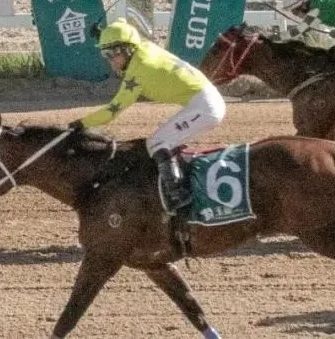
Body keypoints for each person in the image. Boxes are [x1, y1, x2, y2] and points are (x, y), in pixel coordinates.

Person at [70, 18, 226, 213]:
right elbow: (127, 33)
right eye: (105, 53)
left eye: (112, 53)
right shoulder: (142, 47)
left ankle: (179, 195)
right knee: (162, 139)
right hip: (205, 100)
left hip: (206, 108)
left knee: (156, 142)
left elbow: (111, 112)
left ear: (127, 50)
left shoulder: (138, 72)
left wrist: (81, 123)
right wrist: (103, 34)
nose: (109, 59)